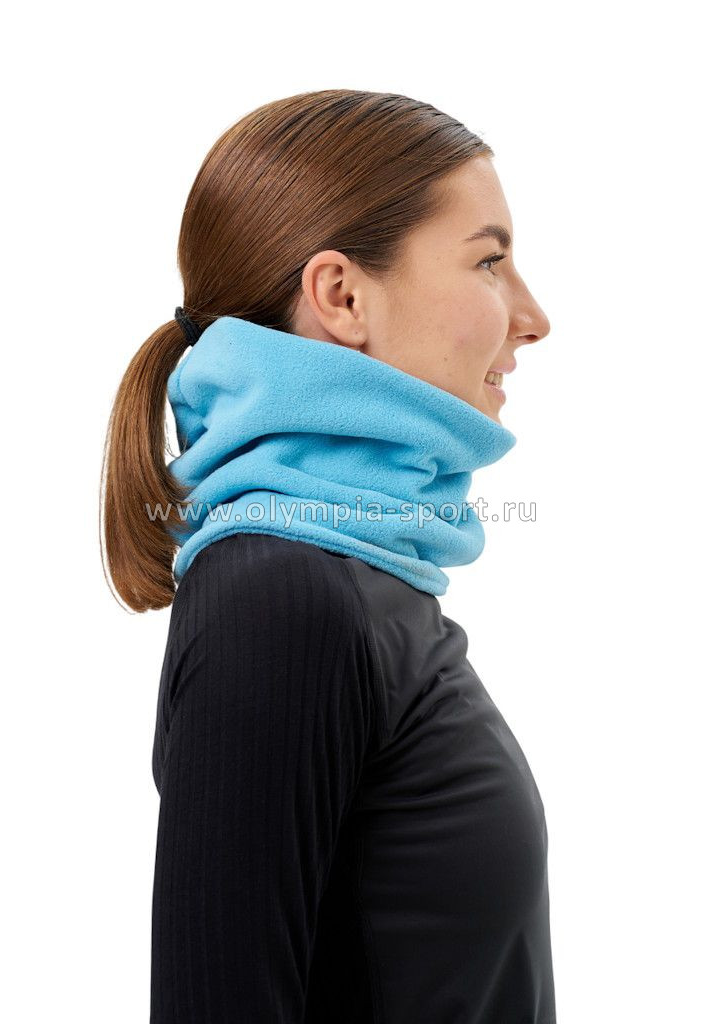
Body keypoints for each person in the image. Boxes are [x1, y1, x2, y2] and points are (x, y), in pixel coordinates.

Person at [101, 88, 555, 1023]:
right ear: (342, 297)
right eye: (489, 261)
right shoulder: (278, 596)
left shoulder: (356, 581)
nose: (533, 316)